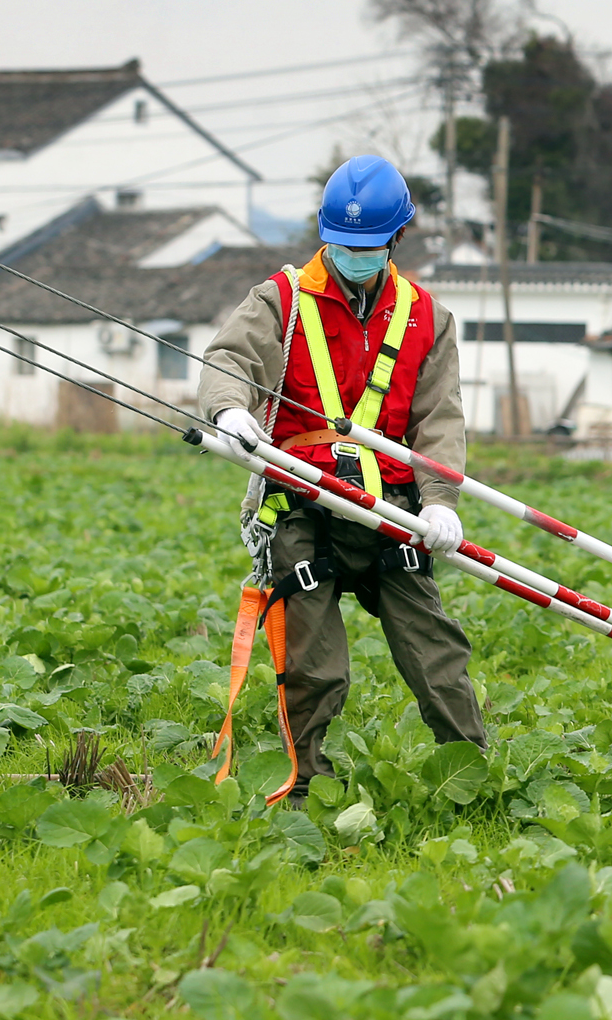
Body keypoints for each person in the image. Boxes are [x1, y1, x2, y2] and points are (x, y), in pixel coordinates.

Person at [199, 155, 487, 795]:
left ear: (396, 240)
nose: (353, 255)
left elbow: (441, 414)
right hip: (302, 505)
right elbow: (229, 356)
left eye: (368, 246)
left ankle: (472, 779)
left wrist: (440, 500)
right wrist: (228, 409)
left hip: (395, 510)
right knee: (314, 666)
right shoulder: (281, 298)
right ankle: (305, 789)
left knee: (437, 656)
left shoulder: (425, 316)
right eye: (341, 244)